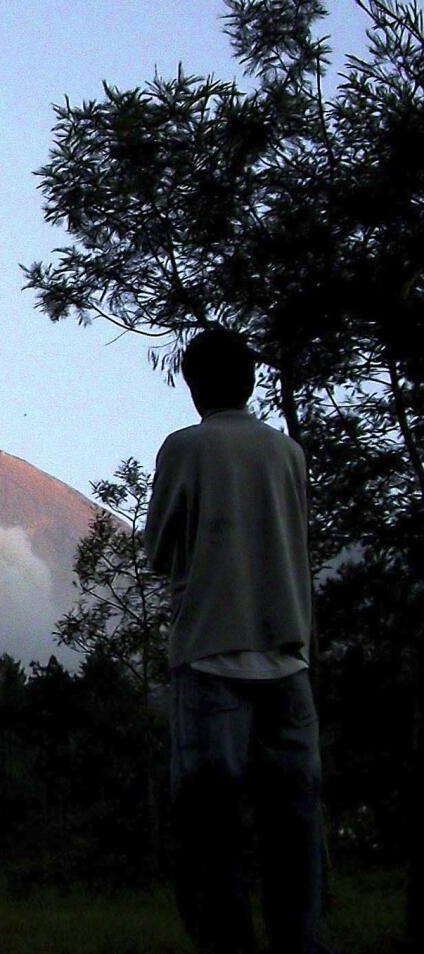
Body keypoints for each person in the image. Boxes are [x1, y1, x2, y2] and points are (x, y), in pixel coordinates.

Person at [144, 328, 324, 954]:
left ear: (193, 386)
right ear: (251, 380)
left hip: (212, 657)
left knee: (209, 827)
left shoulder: (185, 449)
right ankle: (298, 942)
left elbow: (160, 551)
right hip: (286, 657)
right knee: (294, 823)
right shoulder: (288, 454)